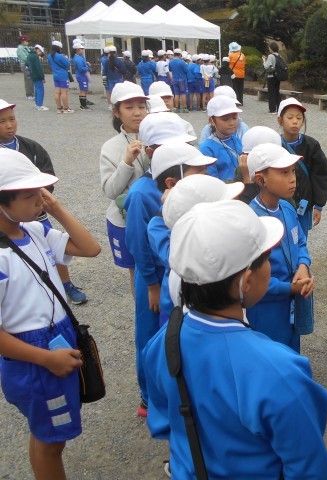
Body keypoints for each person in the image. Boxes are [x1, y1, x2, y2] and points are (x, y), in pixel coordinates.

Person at [143, 200, 327, 479]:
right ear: (247, 282)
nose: (270, 265)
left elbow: (163, 423)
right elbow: (310, 468)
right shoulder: (280, 370)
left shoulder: (162, 343)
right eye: (266, 258)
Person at [0, 149, 101, 480]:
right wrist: (45, 359)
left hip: (55, 341)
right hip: (35, 356)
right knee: (51, 443)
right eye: (30, 196)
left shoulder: (34, 231)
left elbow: (90, 248)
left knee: (45, 433)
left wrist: (55, 208)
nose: (40, 201)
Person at [125, 111, 198, 417]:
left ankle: (175, 388)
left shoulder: (184, 185)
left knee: (174, 329)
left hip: (174, 269)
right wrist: (152, 285)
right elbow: (138, 244)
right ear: (151, 151)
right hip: (152, 276)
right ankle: (149, 397)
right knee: (149, 333)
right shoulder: (142, 193)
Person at [0, 99, 88, 304]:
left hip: (36, 214)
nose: (10, 125)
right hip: (8, 218)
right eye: (2, 122)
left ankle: (65, 284)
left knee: (51, 247)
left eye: (12, 119)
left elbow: (46, 171)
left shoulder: (30, 146)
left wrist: (37, 197)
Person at [245, 144, 314, 353]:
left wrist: (303, 266)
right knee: (270, 356)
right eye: (284, 172)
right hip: (266, 309)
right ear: (261, 180)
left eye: (293, 171)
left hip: (291, 304)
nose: (293, 178)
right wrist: (290, 288)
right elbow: (251, 280)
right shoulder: (251, 220)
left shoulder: (286, 207)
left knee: (291, 352)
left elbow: (300, 242)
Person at [145, 145, 214, 327]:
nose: (206, 178)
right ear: (172, 184)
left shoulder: (206, 205)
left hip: (212, 302)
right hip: (179, 308)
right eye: (200, 173)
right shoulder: (159, 224)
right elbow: (176, 258)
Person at [99, 81, 150, 297]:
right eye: (129, 107)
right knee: (136, 270)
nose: (137, 112)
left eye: (141, 106)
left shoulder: (158, 137)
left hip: (156, 216)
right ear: (116, 112)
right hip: (125, 220)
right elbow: (111, 191)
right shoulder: (110, 147)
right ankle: (141, 307)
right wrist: (126, 162)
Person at [277, 98, 327, 238]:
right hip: (280, 204)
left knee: (300, 238)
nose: (295, 121)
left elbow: (321, 175)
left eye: (299, 118)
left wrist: (318, 205)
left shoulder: (311, 145)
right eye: (290, 117)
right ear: (280, 120)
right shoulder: (275, 145)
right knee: (282, 236)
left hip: (304, 205)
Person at [199, 96, 243, 182]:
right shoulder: (207, 148)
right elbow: (212, 180)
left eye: (234, 118)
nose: (231, 123)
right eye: (225, 119)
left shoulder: (238, 141)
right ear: (212, 121)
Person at [47, 41, 73, 114]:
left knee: (57, 92)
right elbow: (68, 64)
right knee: (64, 93)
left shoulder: (49, 56)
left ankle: (59, 108)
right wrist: (66, 58)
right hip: (63, 76)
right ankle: (66, 108)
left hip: (55, 75)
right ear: (58, 48)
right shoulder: (60, 56)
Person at [72, 42, 93, 111]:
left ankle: (83, 104)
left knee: (84, 89)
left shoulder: (79, 57)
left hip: (82, 75)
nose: (83, 50)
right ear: (77, 50)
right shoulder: (78, 59)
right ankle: (83, 106)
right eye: (81, 49)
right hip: (81, 75)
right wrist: (88, 68)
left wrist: (86, 64)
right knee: (83, 90)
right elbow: (81, 68)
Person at [26, 45, 48, 111]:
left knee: (37, 90)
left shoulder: (29, 55)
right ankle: (39, 105)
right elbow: (39, 68)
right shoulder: (35, 57)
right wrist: (42, 77)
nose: (40, 54)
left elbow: (26, 64)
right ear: (38, 50)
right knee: (40, 90)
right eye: (40, 52)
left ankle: (37, 104)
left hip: (32, 75)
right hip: (37, 76)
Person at [262, 42, 282, 114]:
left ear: (271, 48)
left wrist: (264, 61)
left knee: (271, 93)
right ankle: (279, 108)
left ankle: (272, 109)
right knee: (277, 92)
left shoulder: (271, 56)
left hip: (271, 76)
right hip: (277, 76)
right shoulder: (279, 55)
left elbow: (266, 66)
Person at [16, 34, 34, 101]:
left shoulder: (26, 47)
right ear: (22, 41)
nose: (28, 42)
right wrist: (32, 58)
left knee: (31, 80)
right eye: (26, 41)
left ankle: (32, 93)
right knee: (28, 80)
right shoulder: (20, 48)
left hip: (29, 64)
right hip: (25, 65)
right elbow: (24, 58)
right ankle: (29, 94)